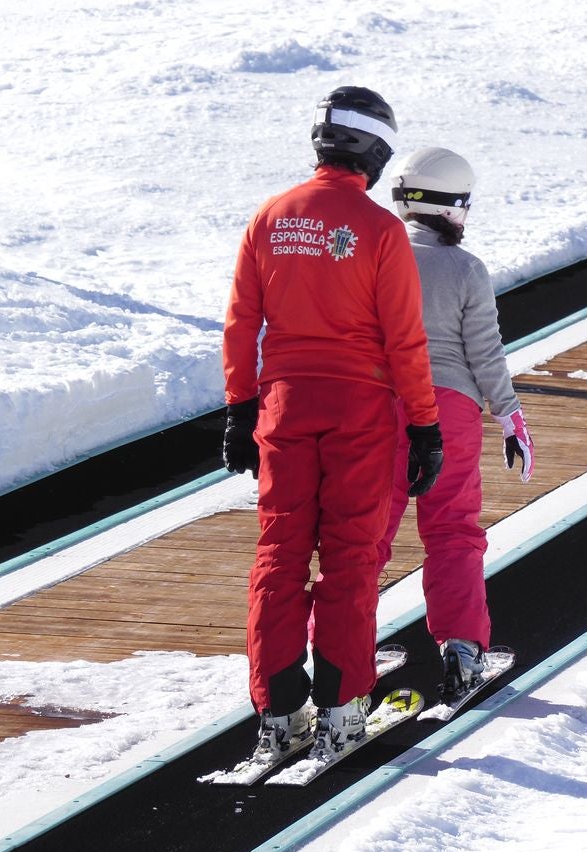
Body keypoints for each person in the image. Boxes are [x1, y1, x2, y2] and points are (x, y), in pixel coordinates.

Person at [221, 86, 443, 761]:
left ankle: (279, 715)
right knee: (349, 560)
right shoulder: (379, 232)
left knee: (278, 559)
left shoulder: (270, 216)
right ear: (374, 152)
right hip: (360, 412)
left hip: (283, 408)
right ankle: (342, 708)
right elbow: (405, 340)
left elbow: (241, 325)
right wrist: (426, 426)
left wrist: (239, 411)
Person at [377, 146, 535, 698]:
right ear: (453, 207)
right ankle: (463, 652)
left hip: (376, 407)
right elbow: (484, 350)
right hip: (451, 408)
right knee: (452, 531)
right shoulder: (466, 268)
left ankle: (341, 649)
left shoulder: (371, 255)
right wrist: (509, 413)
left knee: (364, 535)